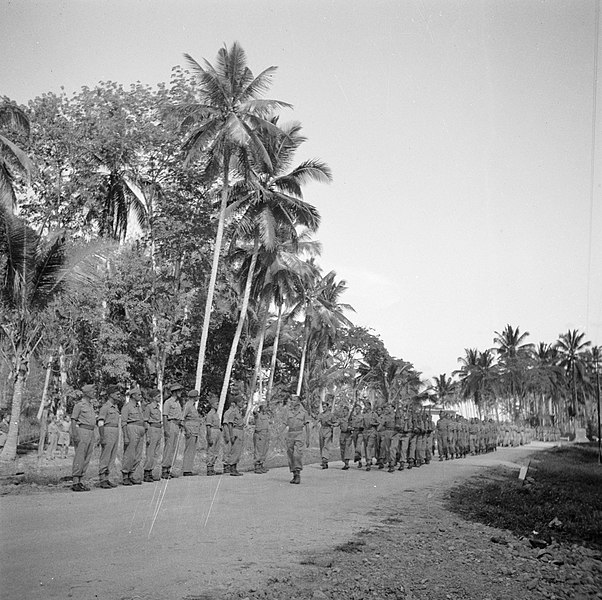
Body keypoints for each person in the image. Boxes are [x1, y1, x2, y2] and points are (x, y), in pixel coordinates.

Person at [70, 384, 98, 492]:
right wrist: (75, 434)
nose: (94, 393)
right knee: (80, 456)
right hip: (82, 431)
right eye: (92, 391)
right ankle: (75, 481)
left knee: (87, 456)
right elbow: (73, 419)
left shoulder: (91, 405)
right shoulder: (79, 405)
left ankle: (81, 480)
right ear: (86, 393)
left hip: (90, 431)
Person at [121, 385, 146, 485]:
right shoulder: (127, 406)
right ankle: (125, 475)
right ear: (133, 395)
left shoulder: (138, 407)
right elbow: (123, 422)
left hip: (140, 429)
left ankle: (132, 474)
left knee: (138, 454)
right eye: (138, 395)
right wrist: (125, 436)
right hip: (131, 428)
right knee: (130, 453)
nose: (140, 396)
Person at [97, 384, 121, 488]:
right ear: (111, 395)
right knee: (106, 455)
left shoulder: (115, 407)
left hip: (115, 430)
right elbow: (100, 422)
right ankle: (102, 478)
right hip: (107, 430)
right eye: (117, 394)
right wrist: (102, 436)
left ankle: (107, 478)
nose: (119, 395)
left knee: (112, 456)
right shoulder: (105, 407)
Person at [284, 394, 310, 484]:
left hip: (299, 434)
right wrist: (279, 435)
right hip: (290, 434)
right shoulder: (288, 412)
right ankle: (294, 474)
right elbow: (284, 423)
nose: (292, 401)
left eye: (294, 400)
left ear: (298, 402)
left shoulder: (303, 413)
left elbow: (307, 426)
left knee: (297, 455)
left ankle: (298, 473)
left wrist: (308, 438)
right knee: (290, 455)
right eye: (291, 400)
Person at [162, 382, 183, 479]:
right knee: (169, 448)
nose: (180, 392)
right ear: (174, 392)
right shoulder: (168, 402)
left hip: (177, 425)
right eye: (179, 390)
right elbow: (165, 416)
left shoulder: (178, 403)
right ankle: (164, 469)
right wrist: (166, 429)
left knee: (174, 448)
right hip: (170, 424)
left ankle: (169, 469)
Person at [143, 387, 163, 482]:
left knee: (155, 453)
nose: (160, 398)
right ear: (154, 397)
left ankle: (151, 471)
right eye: (158, 396)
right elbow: (146, 421)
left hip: (158, 429)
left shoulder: (158, 407)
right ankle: (146, 472)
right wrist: (148, 435)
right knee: (150, 452)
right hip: (152, 429)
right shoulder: (149, 407)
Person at [182, 389, 202, 476]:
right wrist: (186, 429)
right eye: (197, 396)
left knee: (192, 450)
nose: (198, 397)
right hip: (190, 430)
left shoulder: (193, 406)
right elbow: (182, 418)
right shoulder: (188, 405)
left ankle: (189, 468)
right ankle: (186, 469)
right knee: (189, 450)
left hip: (195, 431)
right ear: (194, 397)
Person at [223, 396, 245, 476]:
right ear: (237, 403)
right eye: (242, 402)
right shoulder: (233, 412)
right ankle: (232, 468)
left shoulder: (239, 412)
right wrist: (231, 435)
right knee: (235, 450)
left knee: (238, 450)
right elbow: (230, 424)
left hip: (240, 430)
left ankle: (235, 468)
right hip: (236, 431)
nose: (243, 404)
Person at [204, 394, 223, 476]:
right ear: (212, 405)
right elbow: (208, 426)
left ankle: (212, 467)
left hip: (217, 431)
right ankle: (209, 468)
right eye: (216, 404)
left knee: (216, 450)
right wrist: (209, 437)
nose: (218, 405)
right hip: (212, 431)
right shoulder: (210, 414)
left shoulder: (216, 414)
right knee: (211, 450)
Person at [317, 397, 337, 469]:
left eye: (325, 406)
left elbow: (336, 423)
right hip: (322, 430)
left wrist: (331, 424)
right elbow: (318, 420)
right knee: (322, 446)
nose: (323, 408)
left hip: (328, 430)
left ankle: (325, 460)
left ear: (328, 407)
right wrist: (314, 424)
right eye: (323, 406)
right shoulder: (321, 414)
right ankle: (323, 460)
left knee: (326, 445)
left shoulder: (331, 415)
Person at [250, 404, 270, 474]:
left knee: (264, 450)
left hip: (265, 434)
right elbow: (254, 411)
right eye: (265, 407)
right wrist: (258, 405)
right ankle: (257, 466)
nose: (266, 408)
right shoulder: (257, 415)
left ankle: (261, 465)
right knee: (259, 450)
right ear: (261, 409)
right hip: (259, 434)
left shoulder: (266, 416)